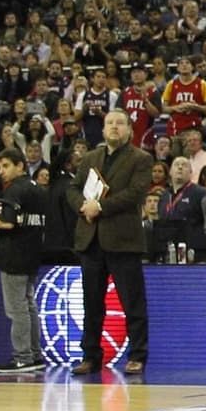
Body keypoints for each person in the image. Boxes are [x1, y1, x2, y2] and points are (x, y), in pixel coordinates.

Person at [72, 109, 155, 375]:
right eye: (109, 123)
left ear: (130, 130)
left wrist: (101, 207)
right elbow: (72, 189)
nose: (114, 127)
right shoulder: (90, 158)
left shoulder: (141, 158)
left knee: (132, 302)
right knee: (91, 303)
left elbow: (135, 194)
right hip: (90, 237)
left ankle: (138, 355)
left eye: (120, 123)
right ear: (103, 129)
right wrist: (84, 206)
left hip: (123, 239)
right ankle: (91, 355)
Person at [0, 149, 48, 374]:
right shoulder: (37, 189)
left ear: (20, 166)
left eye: (6, 166)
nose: (1, 172)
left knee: (17, 309)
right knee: (28, 305)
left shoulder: (15, 189)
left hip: (14, 255)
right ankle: (34, 354)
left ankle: (23, 357)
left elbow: (8, 222)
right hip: (32, 253)